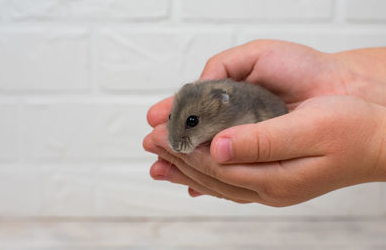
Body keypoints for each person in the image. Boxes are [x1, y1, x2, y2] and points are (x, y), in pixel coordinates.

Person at [143, 40, 386, 206]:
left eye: (192, 121)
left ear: (222, 103)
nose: (176, 139)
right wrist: (345, 76)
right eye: (172, 118)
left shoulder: (235, 106)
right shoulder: (205, 100)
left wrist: (375, 147)